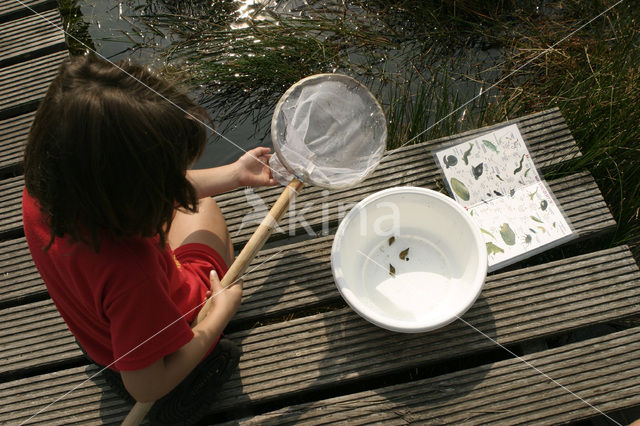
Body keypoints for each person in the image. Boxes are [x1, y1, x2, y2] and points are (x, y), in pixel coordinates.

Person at [22, 54, 277, 422]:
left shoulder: (46, 190)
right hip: (162, 367)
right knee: (203, 212)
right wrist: (217, 317)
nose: (174, 182)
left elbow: (148, 191)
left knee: (192, 204)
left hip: (101, 341)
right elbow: (144, 388)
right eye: (164, 177)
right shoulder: (132, 273)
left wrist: (235, 174)